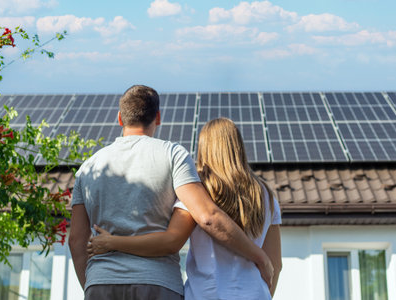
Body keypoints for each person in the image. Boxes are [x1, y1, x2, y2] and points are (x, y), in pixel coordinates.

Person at [69, 85, 273, 300]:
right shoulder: (173, 154)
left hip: (100, 283)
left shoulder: (88, 167)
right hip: (157, 284)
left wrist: (93, 282)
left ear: (120, 118)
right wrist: (259, 257)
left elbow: (76, 240)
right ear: (157, 117)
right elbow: (208, 217)